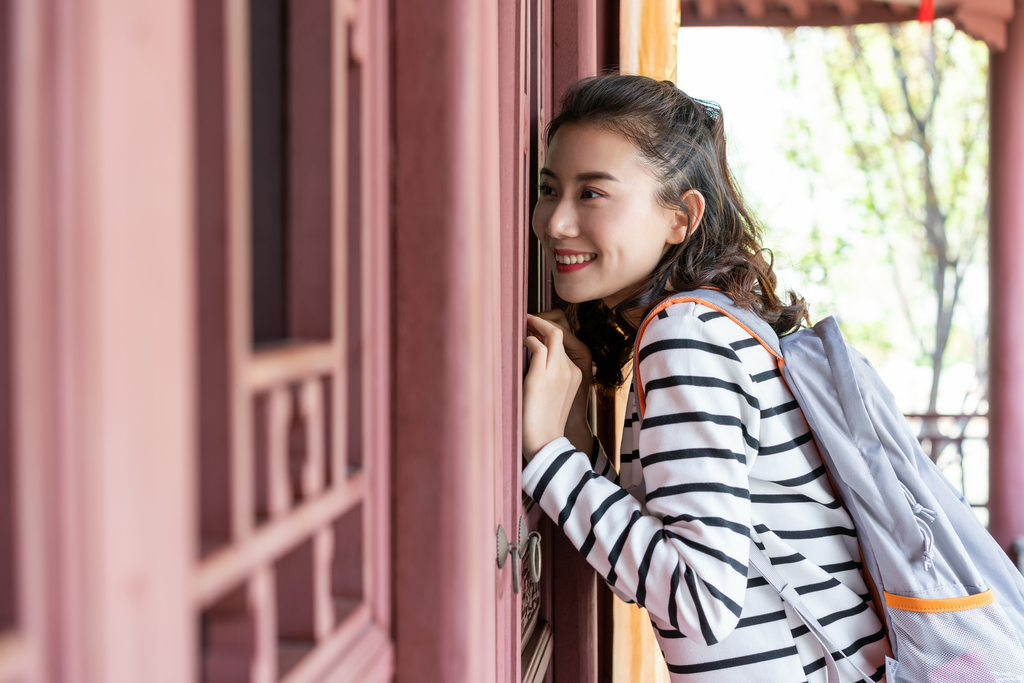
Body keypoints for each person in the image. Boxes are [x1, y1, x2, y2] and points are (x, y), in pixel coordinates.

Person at [520, 74, 891, 682]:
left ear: (680, 217)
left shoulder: (684, 337)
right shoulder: (716, 325)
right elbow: (677, 544)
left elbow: (698, 601)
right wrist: (575, 437)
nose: (555, 222)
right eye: (548, 188)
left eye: (593, 194)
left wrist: (547, 456)